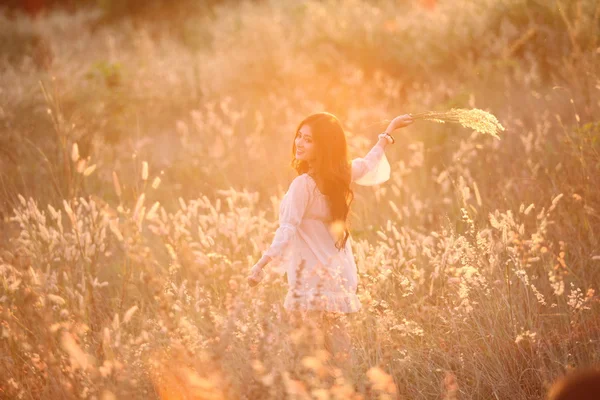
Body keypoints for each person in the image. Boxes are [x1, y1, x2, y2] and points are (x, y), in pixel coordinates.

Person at [247, 111, 414, 373]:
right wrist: (389, 132)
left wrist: (262, 263)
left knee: (311, 357)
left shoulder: (303, 184)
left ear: (323, 146)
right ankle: (353, 389)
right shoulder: (342, 174)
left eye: (309, 140)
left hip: (313, 279)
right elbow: (369, 163)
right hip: (338, 275)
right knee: (340, 353)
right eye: (299, 137)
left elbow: (287, 228)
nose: (299, 144)